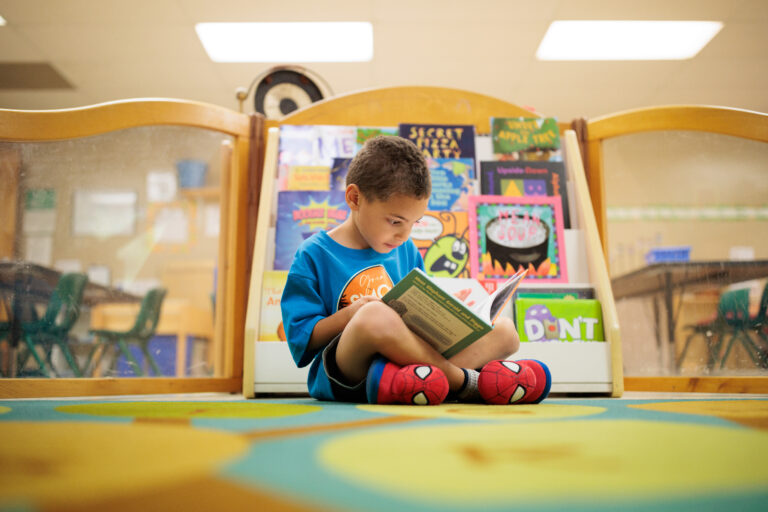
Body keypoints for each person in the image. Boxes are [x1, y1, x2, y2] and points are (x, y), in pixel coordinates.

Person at [281, 135, 550, 405]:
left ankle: (414, 382)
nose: (403, 234)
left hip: (410, 360)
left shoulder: (406, 249)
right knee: (374, 316)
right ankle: (466, 383)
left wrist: (451, 317)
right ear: (354, 198)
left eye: (414, 223)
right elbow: (302, 340)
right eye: (395, 221)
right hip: (351, 372)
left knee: (505, 331)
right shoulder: (313, 253)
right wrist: (352, 314)